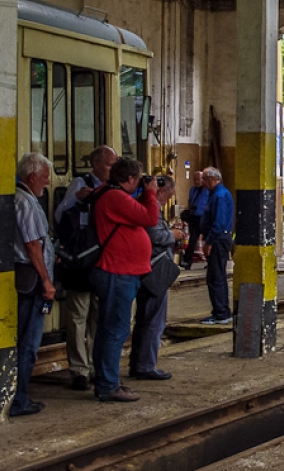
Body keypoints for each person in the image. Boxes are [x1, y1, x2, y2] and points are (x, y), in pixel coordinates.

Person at [89, 158, 160, 402]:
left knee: (109, 329)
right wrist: (150, 193)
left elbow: (136, 215)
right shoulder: (115, 197)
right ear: (130, 179)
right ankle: (108, 385)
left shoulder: (111, 195)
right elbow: (150, 217)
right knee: (115, 330)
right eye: (138, 179)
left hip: (120, 271)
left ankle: (106, 380)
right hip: (117, 272)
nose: (141, 183)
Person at [53, 145, 117, 391]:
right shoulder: (80, 184)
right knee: (77, 318)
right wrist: (76, 199)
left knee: (99, 318)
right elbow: (60, 215)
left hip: (103, 261)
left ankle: (95, 365)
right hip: (80, 264)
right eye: (110, 164)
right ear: (96, 165)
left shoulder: (114, 188)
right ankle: (79, 369)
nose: (113, 169)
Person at [11, 152, 57, 417]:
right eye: (44, 177)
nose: (48, 182)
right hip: (31, 279)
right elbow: (32, 245)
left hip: (26, 276)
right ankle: (19, 400)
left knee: (25, 339)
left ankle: (19, 397)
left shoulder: (20, 198)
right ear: (32, 177)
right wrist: (46, 280)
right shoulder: (26, 203)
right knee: (28, 342)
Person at [130, 176, 184, 381]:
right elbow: (155, 234)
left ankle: (139, 363)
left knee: (146, 318)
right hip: (153, 268)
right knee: (153, 319)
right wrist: (173, 235)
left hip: (147, 267)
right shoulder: (149, 205)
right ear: (159, 191)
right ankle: (145, 365)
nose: (166, 201)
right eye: (167, 197)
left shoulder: (141, 203)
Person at [199, 167, 234, 325]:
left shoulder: (219, 196)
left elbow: (219, 222)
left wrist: (209, 242)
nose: (203, 182)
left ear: (212, 179)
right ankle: (221, 311)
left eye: (205, 179)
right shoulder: (217, 194)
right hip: (219, 239)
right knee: (216, 275)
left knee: (216, 276)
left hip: (218, 240)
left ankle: (221, 313)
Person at [180, 169, 210, 270]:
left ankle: (210, 261)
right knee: (192, 240)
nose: (196, 181)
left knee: (207, 239)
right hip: (194, 218)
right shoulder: (192, 189)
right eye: (195, 179)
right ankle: (187, 261)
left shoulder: (207, 190)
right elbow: (190, 201)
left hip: (204, 217)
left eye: (198, 179)